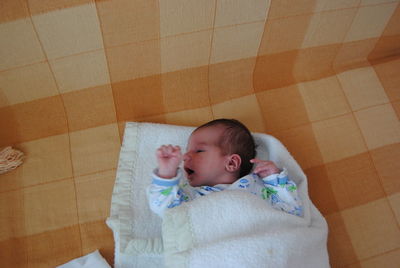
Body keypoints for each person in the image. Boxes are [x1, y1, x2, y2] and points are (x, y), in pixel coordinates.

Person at [147, 119, 303, 217]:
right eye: (187, 150)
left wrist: (274, 179)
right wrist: (167, 174)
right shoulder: (193, 197)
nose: (185, 156)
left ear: (232, 163)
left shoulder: (257, 188)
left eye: (199, 151)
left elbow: (292, 212)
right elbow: (167, 210)